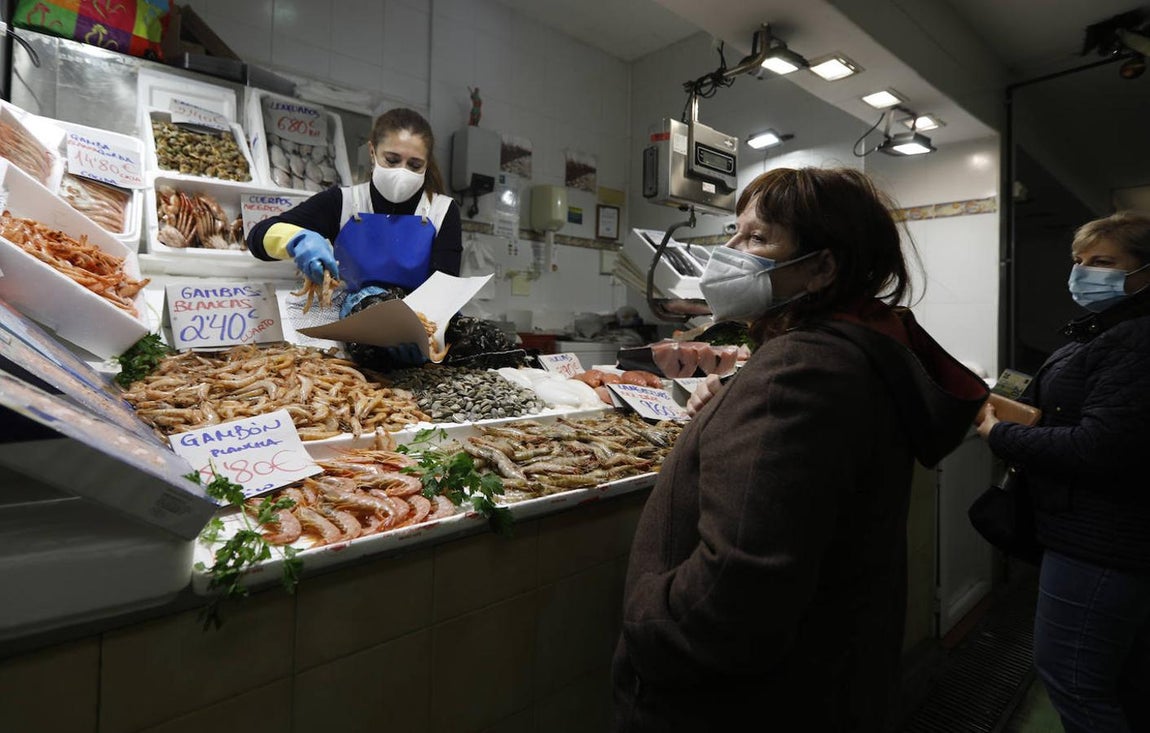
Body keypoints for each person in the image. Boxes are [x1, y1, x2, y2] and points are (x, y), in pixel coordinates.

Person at [612, 167, 988, 732]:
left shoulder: (800, 369)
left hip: (742, 704)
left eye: (758, 238)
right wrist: (735, 394)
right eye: (734, 233)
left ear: (822, 267)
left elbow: (735, 595)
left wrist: (652, 624)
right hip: (828, 677)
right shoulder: (853, 350)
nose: (729, 253)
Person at [975, 210, 1150, 733]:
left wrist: (998, 433)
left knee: (1073, 680)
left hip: (1103, 540)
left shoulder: (1137, 338)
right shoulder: (1109, 330)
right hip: (1105, 534)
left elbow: (1098, 446)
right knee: (1122, 679)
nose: (1083, 274)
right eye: (1079, 262)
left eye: (1102, 262)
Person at [246, 107, 462, 365]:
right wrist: (297, 240)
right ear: (372, 152)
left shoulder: (442, 211)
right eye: (392, 160)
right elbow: (257, 236)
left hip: (417, 346)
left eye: (415, 165)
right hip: (349, 351)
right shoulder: (343, 201)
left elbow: (445, 292)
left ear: (427, 164)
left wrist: (420, 334)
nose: (401, 172)